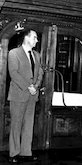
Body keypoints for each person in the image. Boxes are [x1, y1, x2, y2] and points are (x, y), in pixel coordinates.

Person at [8, 29, 43, 163]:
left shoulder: (37, 55)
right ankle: (13, 153)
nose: (37, 40)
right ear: (26, 38)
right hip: (18, 94)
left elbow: (40, 72)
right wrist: (29, 86)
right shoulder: (13, 53)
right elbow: (14, 72)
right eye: (35, 37)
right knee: (16, 124)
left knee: (29, 124)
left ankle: (26, 152)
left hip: (32, 95)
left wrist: (36, 86)